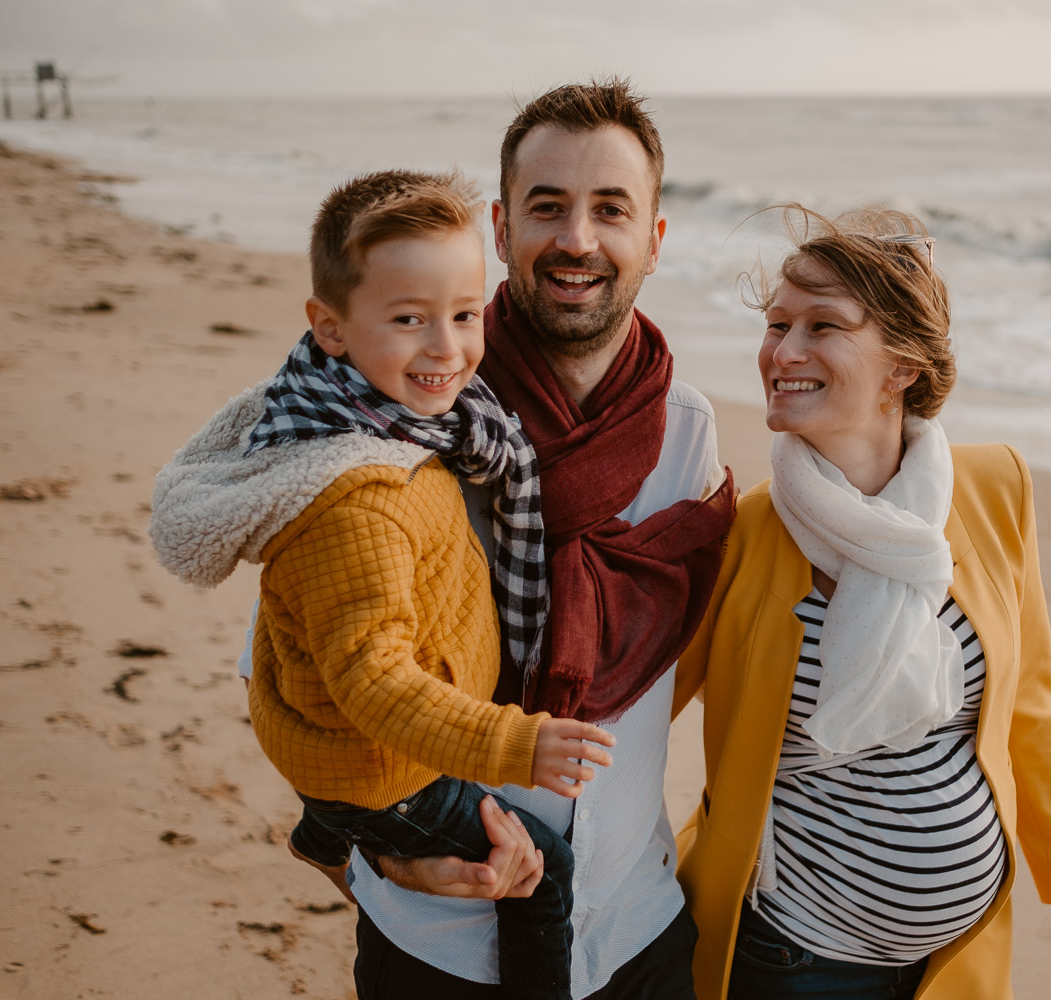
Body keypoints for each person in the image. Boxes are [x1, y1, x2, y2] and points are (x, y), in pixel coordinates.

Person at [290, 81, 736, 999]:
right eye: (548, 208)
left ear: (654, 239)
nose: (577, 238)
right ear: (501, 230)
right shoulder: (410, 417)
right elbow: (311, 646)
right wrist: (374, 838)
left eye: (610, 209)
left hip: (634, 923)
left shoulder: (688, 434)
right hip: (440, 929)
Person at [150, 170, 618, 1000]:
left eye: (465, 315)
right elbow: (373, 680)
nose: (447, 349)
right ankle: (346, 825)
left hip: (319, 730)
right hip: (378, 762)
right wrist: (517, 744)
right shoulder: (354, 498)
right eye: (409, 320)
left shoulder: (379, 416)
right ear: (329, 327)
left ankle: (325, 833)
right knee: (545, 874)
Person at [673, 207, 1051, 999]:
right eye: (778, 324)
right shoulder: (739, 530)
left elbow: (1028, 707)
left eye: (823, 327)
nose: (784, 352)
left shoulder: (994, 489)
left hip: (955, 960)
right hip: (793, 955)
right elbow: (634, 709)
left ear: (902, 368)